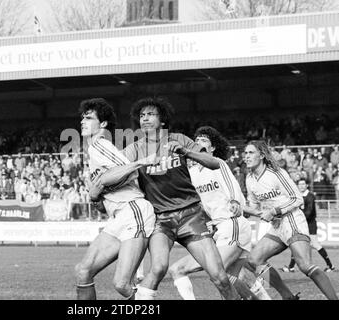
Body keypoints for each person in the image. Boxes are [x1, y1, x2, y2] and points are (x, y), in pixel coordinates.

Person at [121, 97, 240, 300]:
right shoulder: (134, 150)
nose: (145, 119)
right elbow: (116, 170)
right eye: (142, 116)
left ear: (163, 120)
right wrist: (137, 164)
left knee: (219, 277)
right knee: (157, 269)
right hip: (160, 220)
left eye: (151, 114)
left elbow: (213, 163)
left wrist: (185, 151)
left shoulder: (180, 139)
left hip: (191, 216)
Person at [167, 126, 270, 300]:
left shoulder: (217, 163)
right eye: (196, 140)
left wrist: (235, 201)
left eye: (204, 140)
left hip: (232, 224)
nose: (198, 142)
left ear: (213, 148)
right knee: (232, 277)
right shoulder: (191, 173)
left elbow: (232, 186)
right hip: (217, 230)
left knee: (217, 273)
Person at [74, 98, 156, 300]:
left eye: (89, 118)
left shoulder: (99, 145)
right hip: (118, 217)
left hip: (133, 211)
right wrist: (95, 196)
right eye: (82, 118)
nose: (83, 121)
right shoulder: (94, 151)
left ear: (102, 124)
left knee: (122, 284)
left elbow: (131, 174)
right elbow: (104, 203)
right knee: (83, 271)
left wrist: (100, 184)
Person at [242, 140, 337, 300]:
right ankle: (288, 297)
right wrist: (240, 209)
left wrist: (274, 210)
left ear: (262, 155)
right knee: (253, 260)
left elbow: (297, 199)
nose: (246, 156)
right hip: (277, 226)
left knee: (305, 265)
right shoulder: (249, 179)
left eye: (251, 152)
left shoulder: (277, 173)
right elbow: (255, 207)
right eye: (245, 153)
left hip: (292, 221)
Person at [282, 178, 335, 273]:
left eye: (303, 184)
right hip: (302, 223)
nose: (301, 186)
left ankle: (330, 265)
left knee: (315, 244)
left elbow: (309, 212)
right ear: (297, 186)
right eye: (300, 184)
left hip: (310, 223)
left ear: (306, 185)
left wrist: (298, 217)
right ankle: (291, 267)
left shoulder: (310, 196)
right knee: (296, 243)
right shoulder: (298, 196)